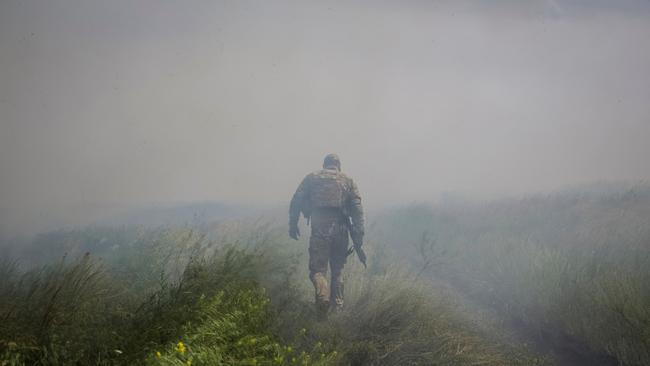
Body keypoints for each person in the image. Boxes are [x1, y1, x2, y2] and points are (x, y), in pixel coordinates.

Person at [289, 154, 365, 318]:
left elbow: (297, 200)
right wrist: (358, 240)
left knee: (318, 271)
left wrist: (293, 224)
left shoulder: (312, 178)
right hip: (342, 229)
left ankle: (323, 299)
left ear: (324, 165)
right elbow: (358, 211)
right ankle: (337, 309)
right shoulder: (348, 180)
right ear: (339, 165)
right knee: (338, 271)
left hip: (320, 228)